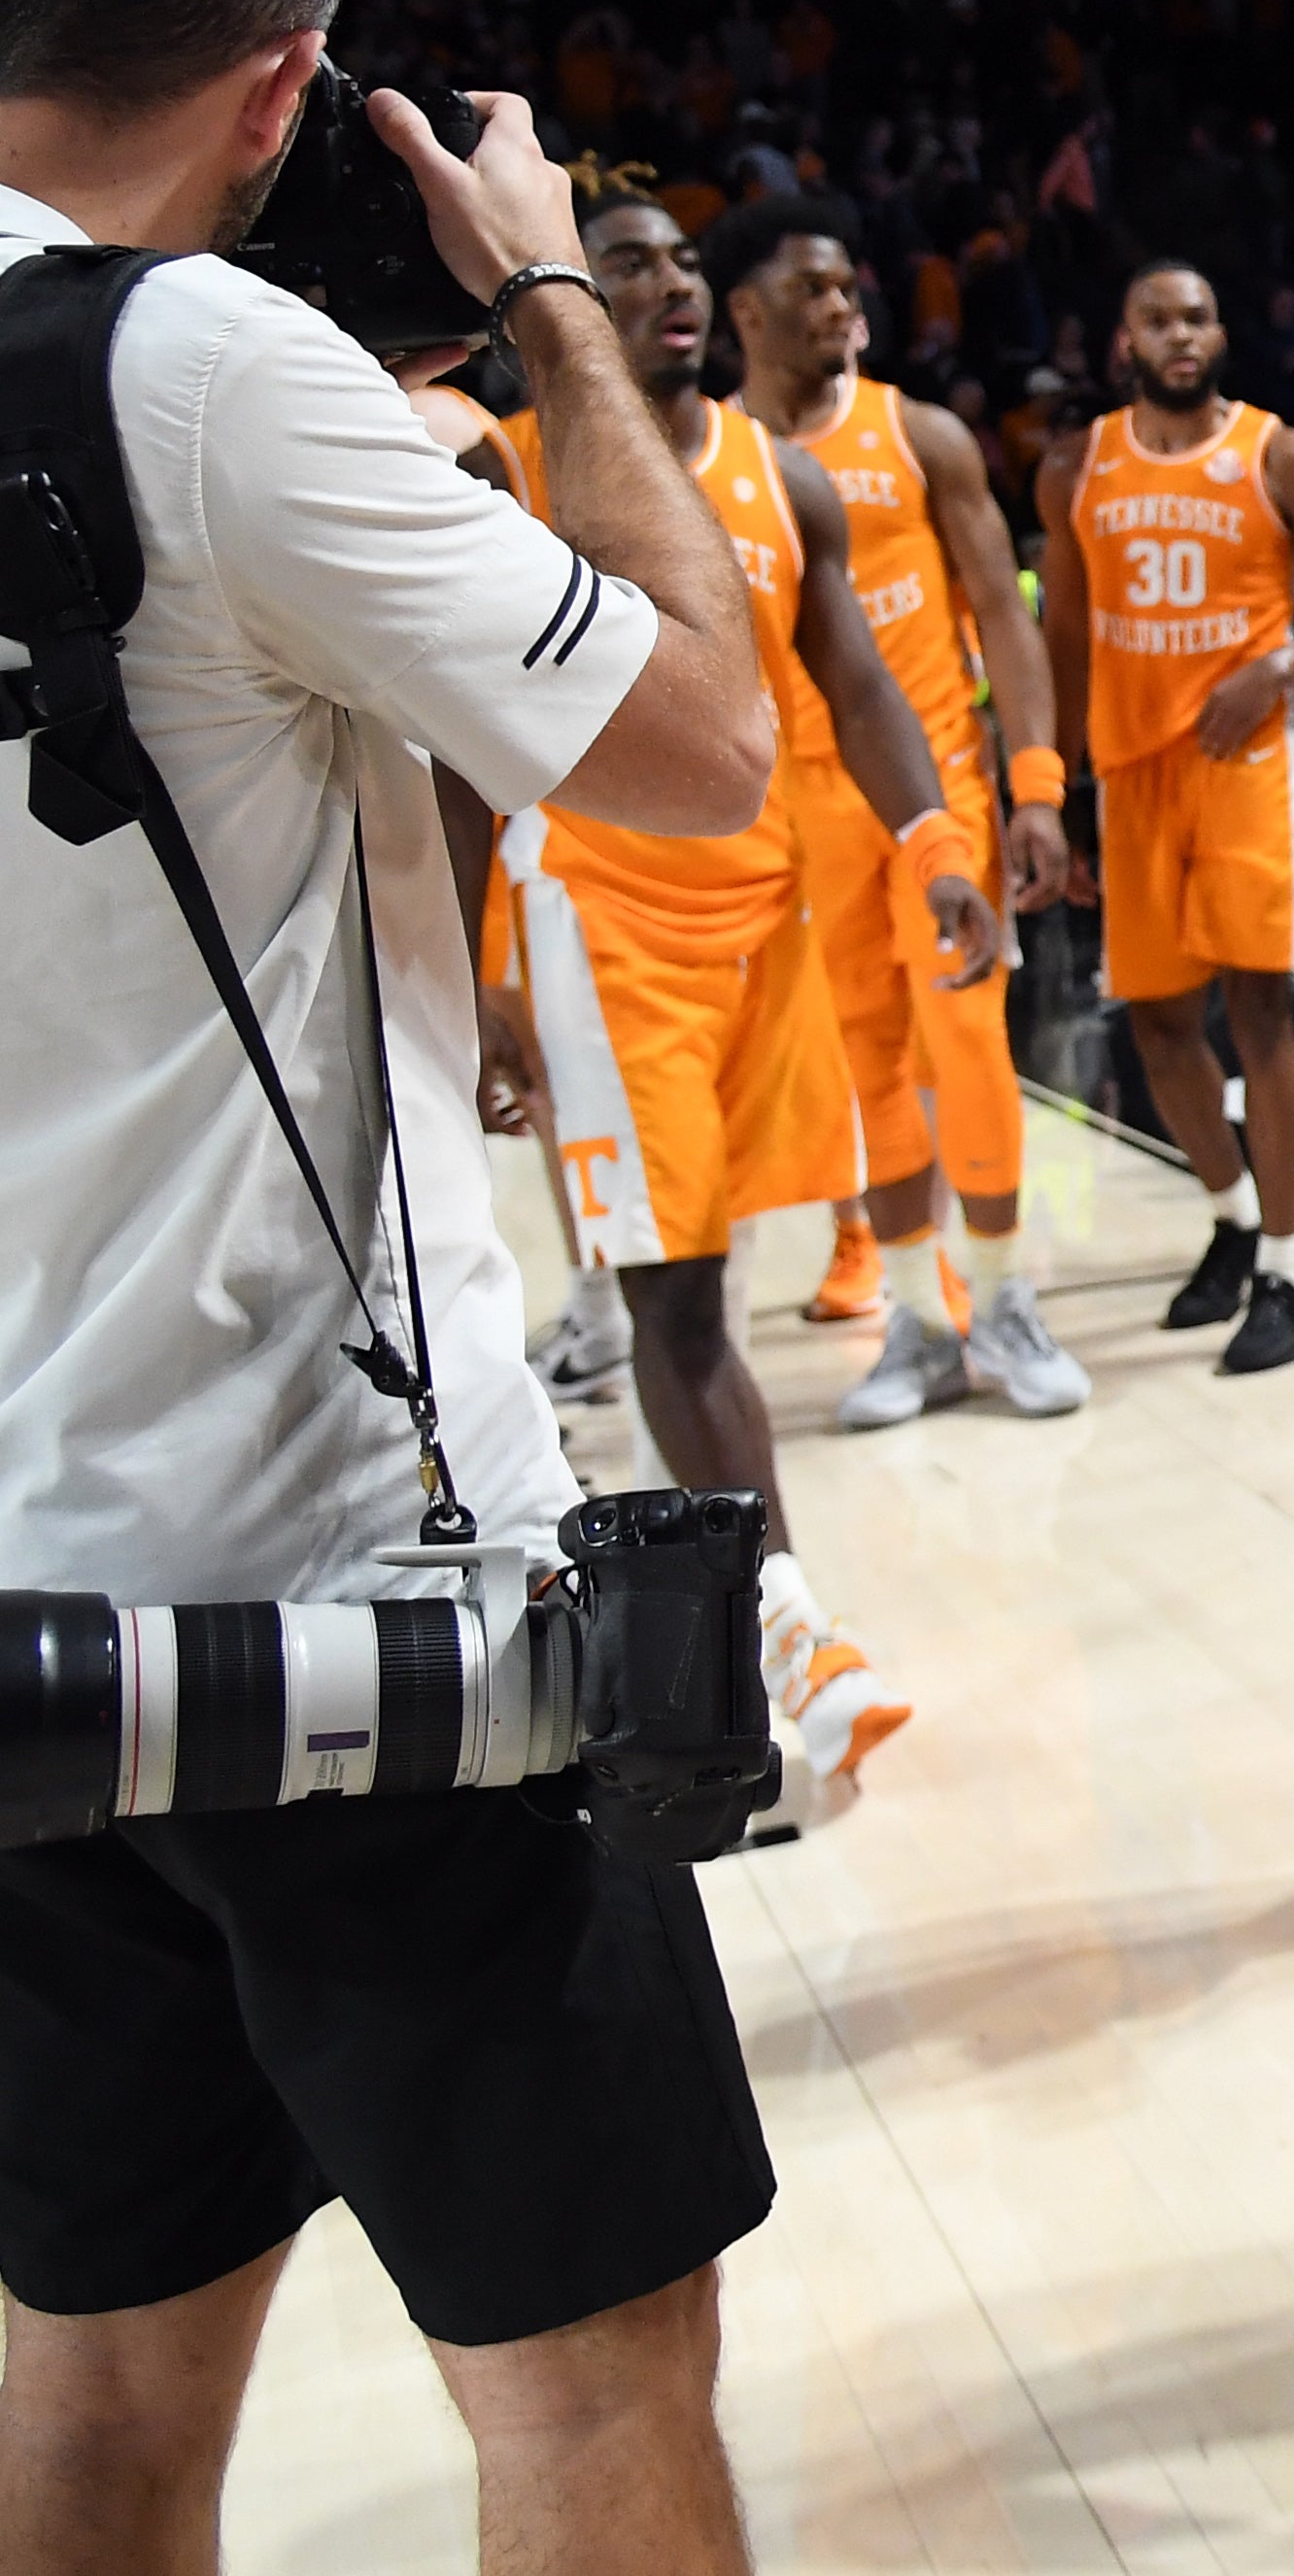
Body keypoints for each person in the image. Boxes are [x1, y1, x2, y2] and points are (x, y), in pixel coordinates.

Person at [0, 0, 770, 2572]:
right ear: (285, 80)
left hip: (24, 1598)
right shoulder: (206, 367)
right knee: (588, 2383)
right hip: (352, 1595)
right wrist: (556, 296)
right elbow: (697, 748)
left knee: (93, 2387)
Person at [462, 186, 982, 1804]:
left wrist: (934, 838)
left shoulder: (787, 477)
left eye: (683, 265)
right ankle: (785, 1628)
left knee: (722, 1286)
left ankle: (691, 1642)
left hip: (761, 921)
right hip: (596, 920)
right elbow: (449, 715)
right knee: (672, 1302)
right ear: (564, 295)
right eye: (623, 264)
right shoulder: (511, 465)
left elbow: (855, 674)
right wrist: (485, 956)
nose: (667, 286)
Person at [701, 194, 1091, 1428]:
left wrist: (1035, 787)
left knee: (966, 1039)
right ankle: (919, 1322)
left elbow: (1004, 615)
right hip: (794, 802)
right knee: (865, 1060)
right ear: (745, 310)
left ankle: (1004, 1297)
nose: (844, 302)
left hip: (933, 793)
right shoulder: (710, 455)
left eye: (847, 283)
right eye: (814, 287)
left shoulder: (921, 433)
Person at [1037, 262, 1294, 1374]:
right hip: (1129, 773)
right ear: (1123, 339)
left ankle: (1284, 1270)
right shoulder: (1075, 467)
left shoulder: (1286, 455)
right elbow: (1066, 635)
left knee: (1257, 1016)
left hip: (1246, 766)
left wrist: (1275, 667)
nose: (1183, 336)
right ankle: (1227, 1219)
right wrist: (1062, 790)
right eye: (1160, 320)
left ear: (1221, 332)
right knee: (1157, 1023)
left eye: (1200, 317)